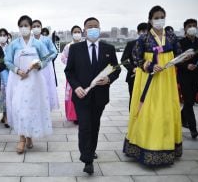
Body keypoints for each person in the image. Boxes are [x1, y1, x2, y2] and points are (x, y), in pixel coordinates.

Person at [123, 6, 190, 166]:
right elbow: (136, 57)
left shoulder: (172, 37)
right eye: (156, 17)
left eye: (162, 16)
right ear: (150, 19)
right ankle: (145, 146)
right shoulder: (144, 38)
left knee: (166, 109)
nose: (160, 20)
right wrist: (149, 65)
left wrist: (185, 56)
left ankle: (167, 146)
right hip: (149, 79)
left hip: (167, 78)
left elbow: (179, 54)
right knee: (149, 110)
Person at [64, 17, 120, 174]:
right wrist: (76, 87)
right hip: (82, 96)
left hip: (100, 96)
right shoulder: (75, 49)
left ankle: (90, 151)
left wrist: (109, 79)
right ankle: (87, 158)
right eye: (90, 26)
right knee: (85, 126)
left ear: (100, 28)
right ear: (84, 30)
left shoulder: (108, 48)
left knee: (94, 126)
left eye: (96, 26)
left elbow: (116, 69)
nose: (93, 29)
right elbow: (69, 71)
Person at [5, 15, 53, 154]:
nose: (24, 28)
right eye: (21, 26)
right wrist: (17, 70)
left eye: (26, 25)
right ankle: (21, 139)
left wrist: (40, 65)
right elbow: (7, 61)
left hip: (34, 81)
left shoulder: (37, 43)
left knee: (31, 108)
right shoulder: (14, 44)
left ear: (31, 27)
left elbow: (47, 57)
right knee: (19, 107)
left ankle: (29, 135)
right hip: (19, 81)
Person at [177, 18, 198, 139]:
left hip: (197, 76)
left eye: (194, 26)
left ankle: (181, 116)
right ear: (185, 28)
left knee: (191, 101)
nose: (192, 27)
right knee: (188, 101)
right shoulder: (180, 43)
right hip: (184, 75)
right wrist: (186, 65)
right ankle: (193, 129)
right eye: (190, 26)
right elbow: (176, 61)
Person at [32, 19, 59, 110]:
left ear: (41, 27)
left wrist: (44, 59)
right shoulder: (30, 40)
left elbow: (54, 52)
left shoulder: (46, 40)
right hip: (34, 67)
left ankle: (46, 108)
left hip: (46, 67)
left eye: (38, 26)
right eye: (34, 26)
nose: (36, 28)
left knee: (46, 86)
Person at [121, 23, 148, 109]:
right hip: (134, 76)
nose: (145, 33)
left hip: (148, 75)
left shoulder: (152, 45)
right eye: (143, 31)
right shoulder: (131, 44)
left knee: (148, 99)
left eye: (147, 31)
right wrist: (132, 69)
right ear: (138, 32)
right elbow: (123, 60)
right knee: (133, 98)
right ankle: (133, 119)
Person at [61, 25, 83, 124]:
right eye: (75, 32)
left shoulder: (85, 46)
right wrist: (71, 63)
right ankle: (73, 115)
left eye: (79, 32)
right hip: (72, 74)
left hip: (83, 74)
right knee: (71, 95)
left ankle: (81, 115)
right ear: (72, 34)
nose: (77, 33)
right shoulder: (68, 46)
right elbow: (63, 58)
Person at [0, 28, 10, 128]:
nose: (2, 37)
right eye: (0, 35)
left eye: (4, 35)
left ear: (7, 36)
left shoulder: (10, 47)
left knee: (6, 94)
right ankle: (0, 115)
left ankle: (6, 116)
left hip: (7, 73)